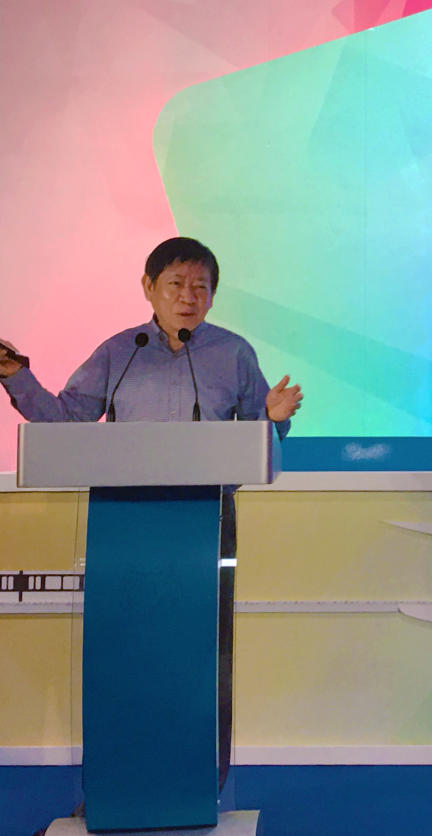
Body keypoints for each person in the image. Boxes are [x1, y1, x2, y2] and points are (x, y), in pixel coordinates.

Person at [1, 236, 303, 793]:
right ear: (149, 288)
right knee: (128, 659)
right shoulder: (121, 351)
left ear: (213, 297)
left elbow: (256, 440)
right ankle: (123, 785)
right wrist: (14, 373)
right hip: (123, 524)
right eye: (176, 285)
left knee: (198, 662)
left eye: (201, 287)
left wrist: (272, 418)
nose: (189, 297)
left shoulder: (233, 353)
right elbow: (66, 420)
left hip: (205, 522)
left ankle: (197, 785)